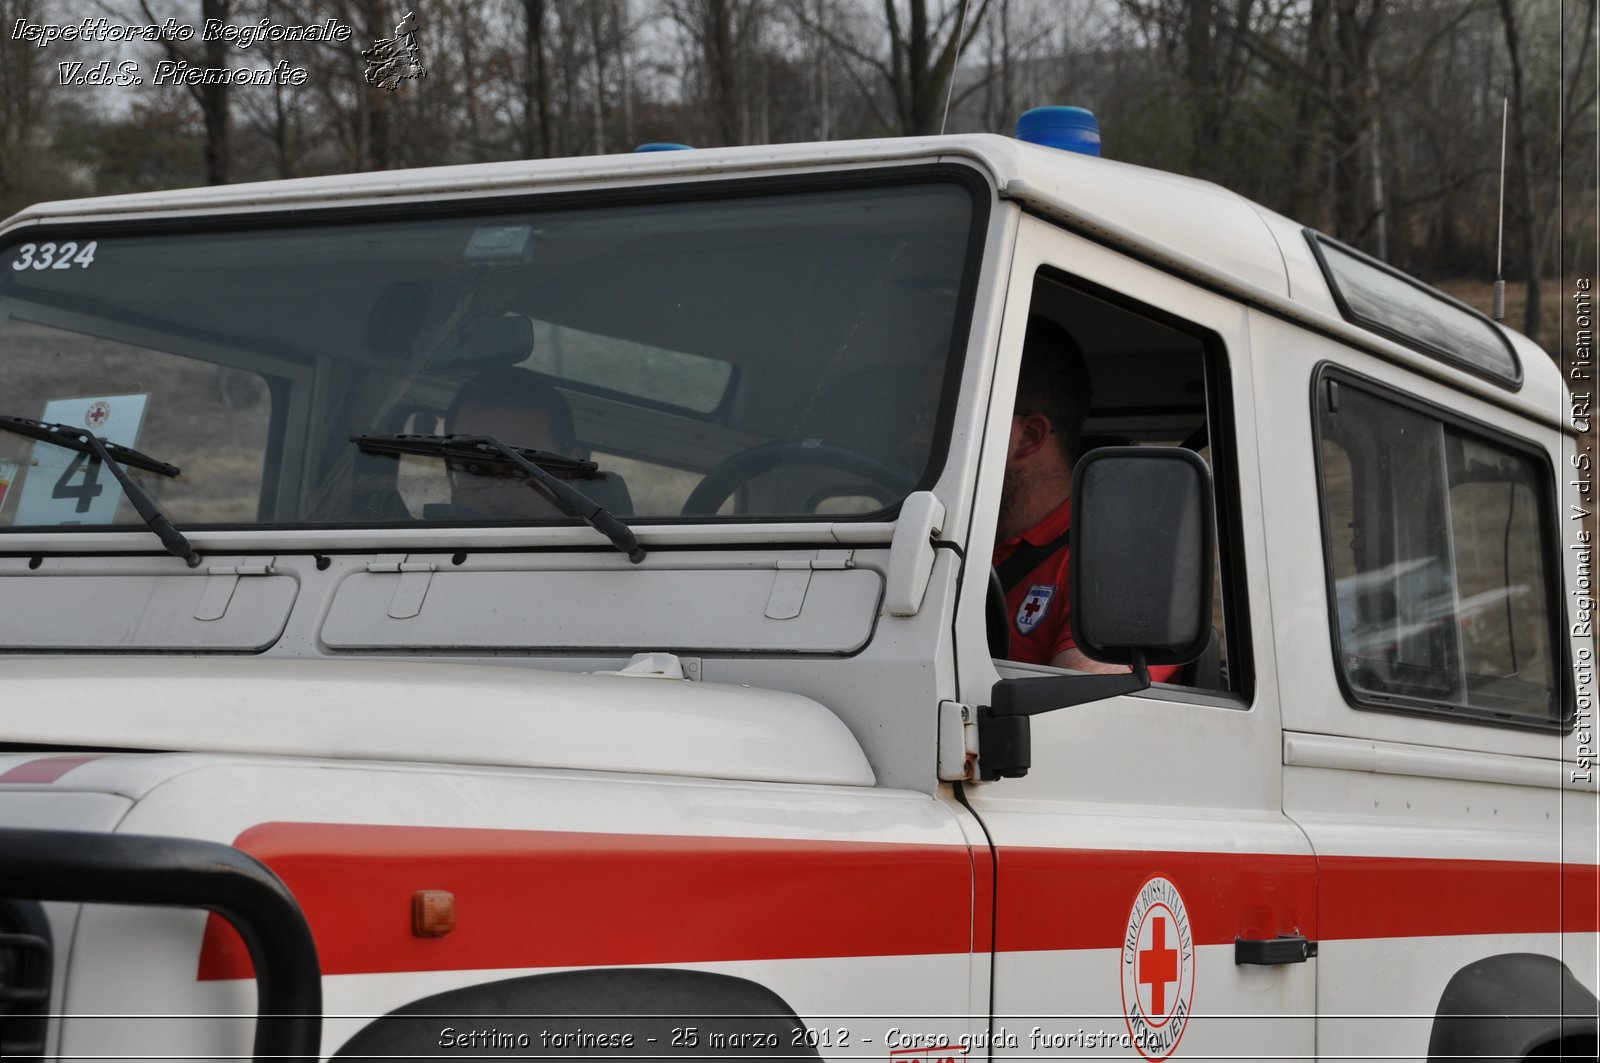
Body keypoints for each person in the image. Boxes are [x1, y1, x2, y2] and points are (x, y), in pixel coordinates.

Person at [992, 316, 1180, 681]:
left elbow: (1084, 706)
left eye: (928, 419)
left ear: (1029, 436)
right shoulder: (944, 544)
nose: (914, 440)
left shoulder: (1121, 564)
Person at [446, 366, 579, 519]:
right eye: (473, 469)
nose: (498, 500)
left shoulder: (603, 541)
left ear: (571, 473)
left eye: (521, 469)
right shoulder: (419, 538)